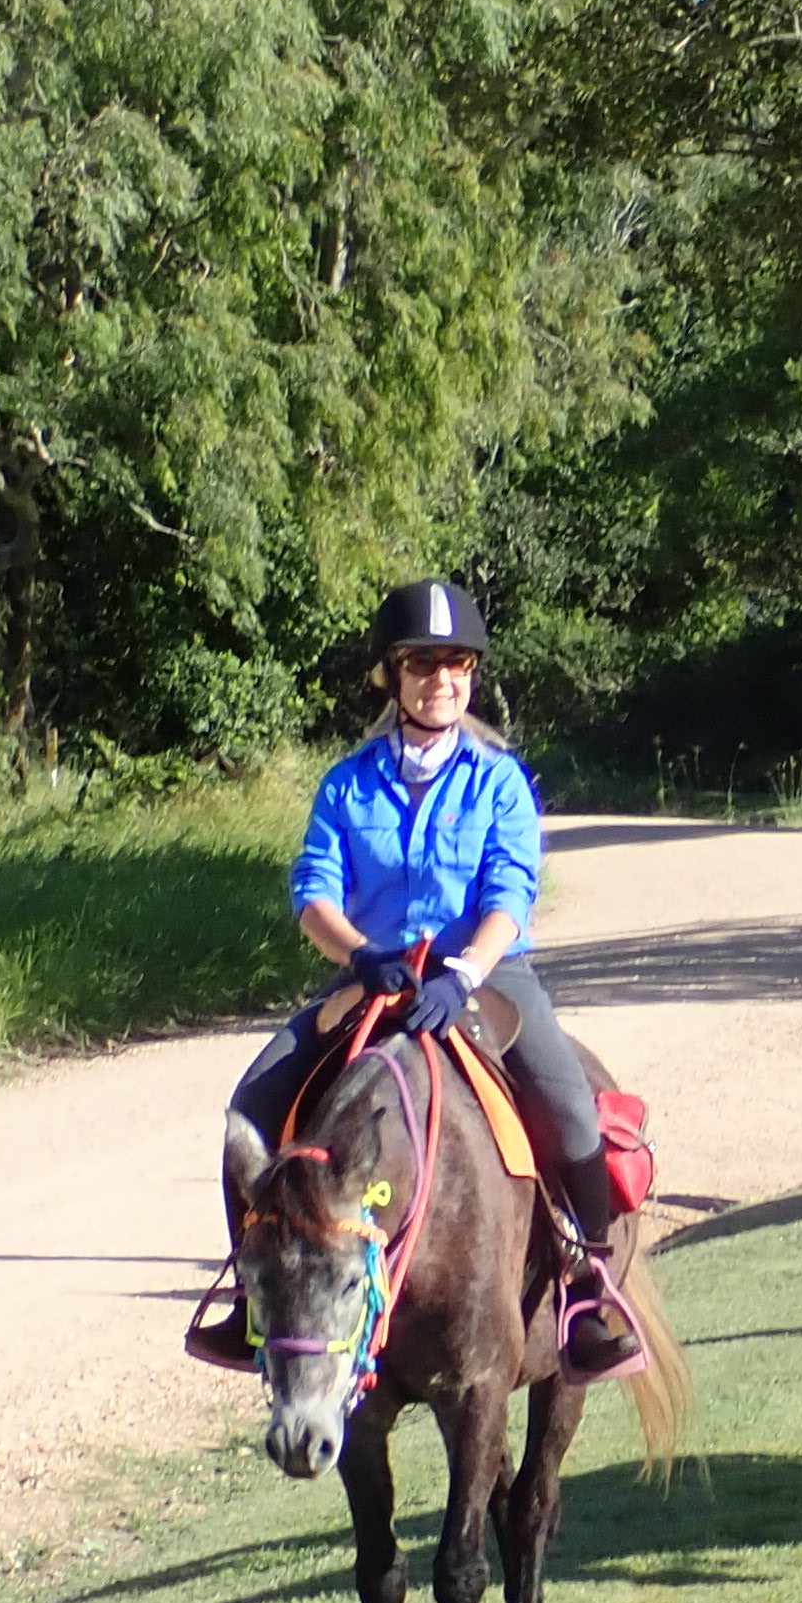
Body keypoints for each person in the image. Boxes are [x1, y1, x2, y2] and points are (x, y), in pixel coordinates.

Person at [190, 579, 642, 1380]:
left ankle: (588, 1290)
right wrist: (360, 955)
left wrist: (463, 973)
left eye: (457, 663)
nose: (443, 680)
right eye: (424, 664)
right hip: (374, 975)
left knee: (572, 1111)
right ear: (391, 676)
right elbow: (313, 893)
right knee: (251, 1111)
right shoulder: (346, 783)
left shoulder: (499, 780)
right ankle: (256, 1292)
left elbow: (511, 895)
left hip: (485, 977)